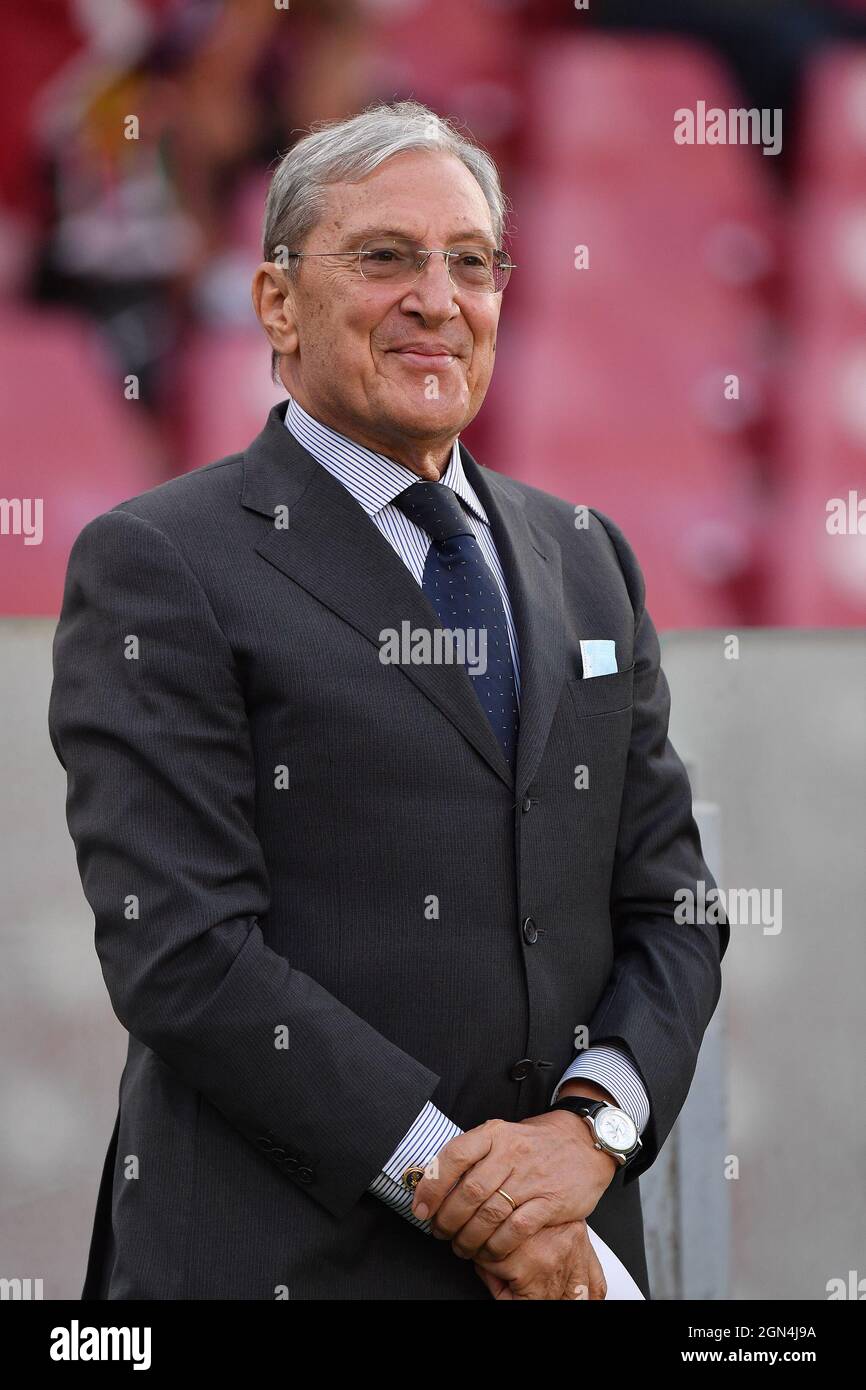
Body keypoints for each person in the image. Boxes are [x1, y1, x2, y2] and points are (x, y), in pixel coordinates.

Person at [48, 100, 728, 1301]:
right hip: (282, 1265)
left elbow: (670, 903)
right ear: (274, 301)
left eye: (471, 262)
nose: (436, 297)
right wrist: (471, 1194)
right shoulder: (159, 561)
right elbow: (184, 953)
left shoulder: (586, 558)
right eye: (383, 257)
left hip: (564, 1260)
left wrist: (586, 1136)